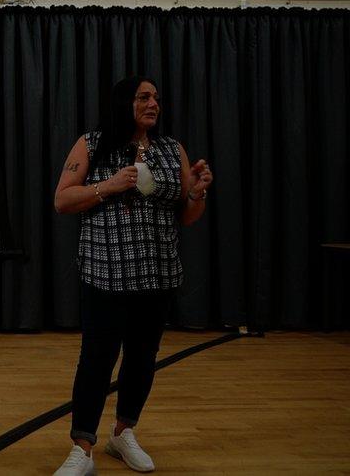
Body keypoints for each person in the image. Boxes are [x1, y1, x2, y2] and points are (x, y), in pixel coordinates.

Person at [51, 76, 213, 475]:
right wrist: (107, 185)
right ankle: (83, 448)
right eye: (144, 97)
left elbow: (187, 218)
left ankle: (123, 433)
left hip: (156, 275)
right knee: (96, 360)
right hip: (106, 275)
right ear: (125, 102)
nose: (153, 103)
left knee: (142, 359)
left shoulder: (171, 149)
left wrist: (196, 193)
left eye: (156, 97)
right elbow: (62, 199)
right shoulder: (92, 144)